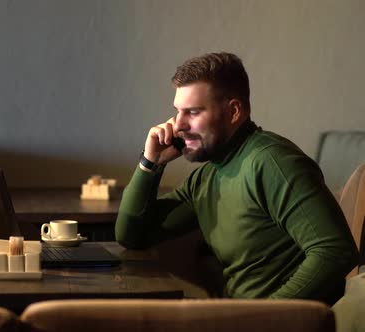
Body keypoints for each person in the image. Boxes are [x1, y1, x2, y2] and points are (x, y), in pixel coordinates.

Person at [115, 52, 359, 305]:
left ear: (233, 111)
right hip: (236, 316)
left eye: (193, 112)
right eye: (177, 112)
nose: (178, 125)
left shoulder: (273, 162)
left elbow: (334, 251)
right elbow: (132, 236)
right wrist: (150, 163)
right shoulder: (207, 176)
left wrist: (266, 319)